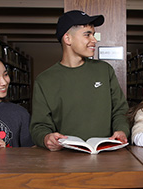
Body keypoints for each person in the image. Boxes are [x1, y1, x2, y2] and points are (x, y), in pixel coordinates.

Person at [30, 10, 130, 151]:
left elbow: (120, 110)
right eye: (87, 34)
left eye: (93, 35)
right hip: (64, 158)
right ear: (67, 39)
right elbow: (39, 126)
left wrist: (122, 130)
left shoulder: (105, 71)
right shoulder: (44, 80)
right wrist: (46, 137)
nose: (94, 40)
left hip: (106, 153)